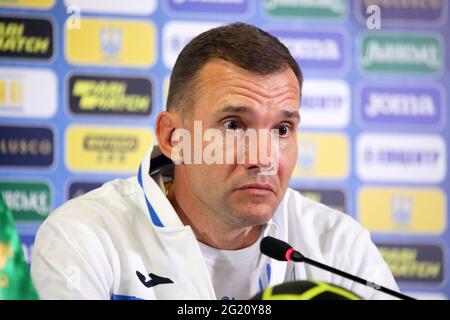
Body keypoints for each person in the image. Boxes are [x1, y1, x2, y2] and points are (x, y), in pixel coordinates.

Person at [31, 23, 399, 300]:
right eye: (234, 125)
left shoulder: (338, 246)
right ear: (173, 138)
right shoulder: (82, 237)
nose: (263, 158)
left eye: (283, 129)